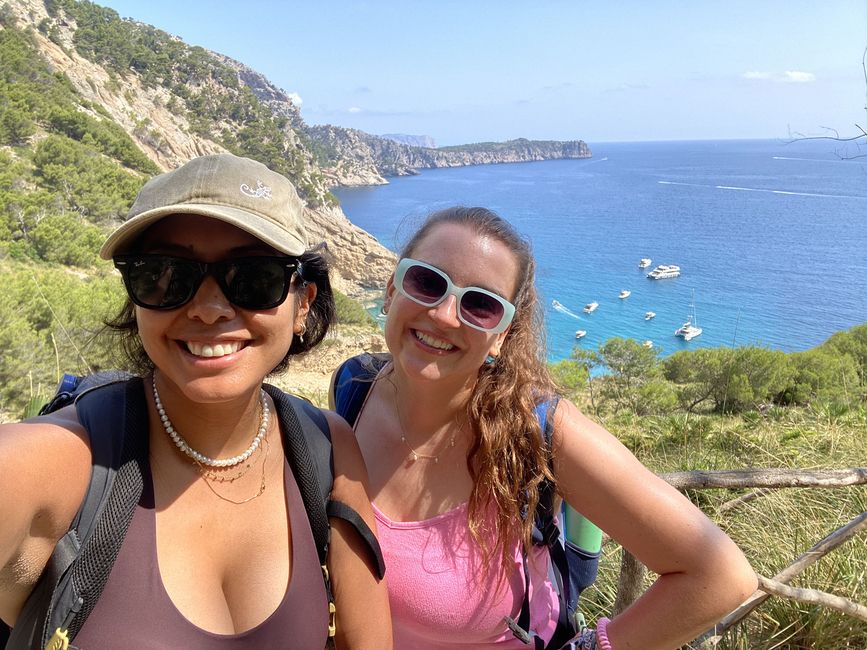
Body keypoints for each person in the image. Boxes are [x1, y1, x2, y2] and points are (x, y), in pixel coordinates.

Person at [0, 153, 391, 648]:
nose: (208, 309)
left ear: (303, 305)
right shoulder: (62, 460)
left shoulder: (326, 446)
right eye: (164, 275)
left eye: (254, 277)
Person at [331, 207, 757, 649]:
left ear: (501, 335)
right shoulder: (351, 388)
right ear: (390, 290)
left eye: (480, 304)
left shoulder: (539, 431)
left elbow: (721, 575)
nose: (442, 314)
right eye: (426, 281)